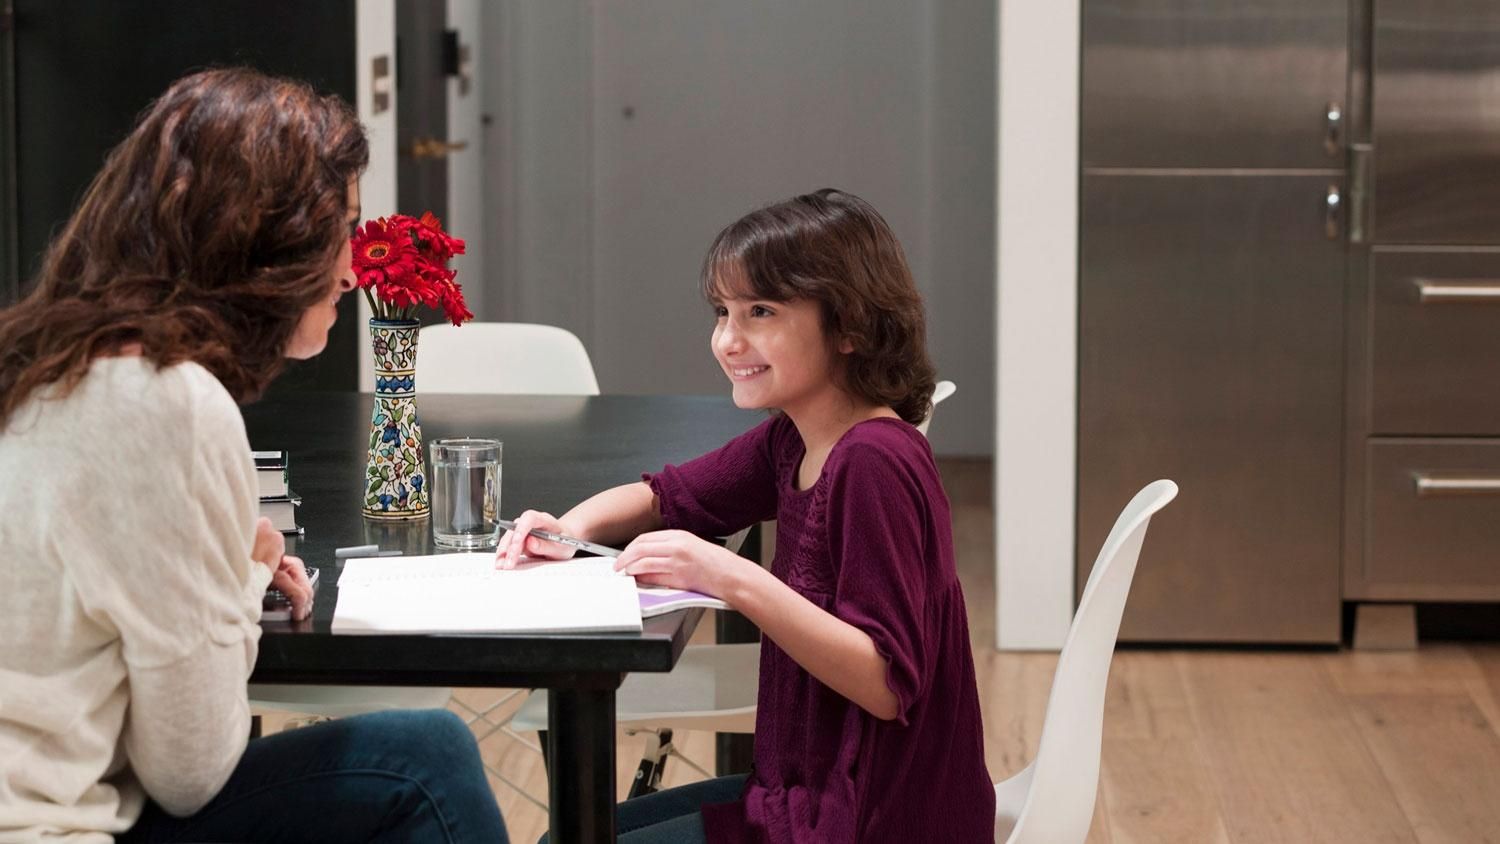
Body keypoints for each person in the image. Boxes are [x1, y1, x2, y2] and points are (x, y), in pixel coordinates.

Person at [0, 68, 507, 843]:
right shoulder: (167, 403)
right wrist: (238, 579)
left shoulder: (41, 362)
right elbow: (190, 769)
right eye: (340, 230)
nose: (349, 269)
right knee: (428, 761)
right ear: (265, 240)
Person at [501, 189, 994, 842]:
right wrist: (574, 527)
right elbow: (665, 496)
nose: (728, 340)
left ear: (849, 326)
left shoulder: (875, 462)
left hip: (868, 819)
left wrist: (727, 574)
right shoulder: (796, 436)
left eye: (760, 311)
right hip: (801, 794)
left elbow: (885, 681)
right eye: (722, 312)